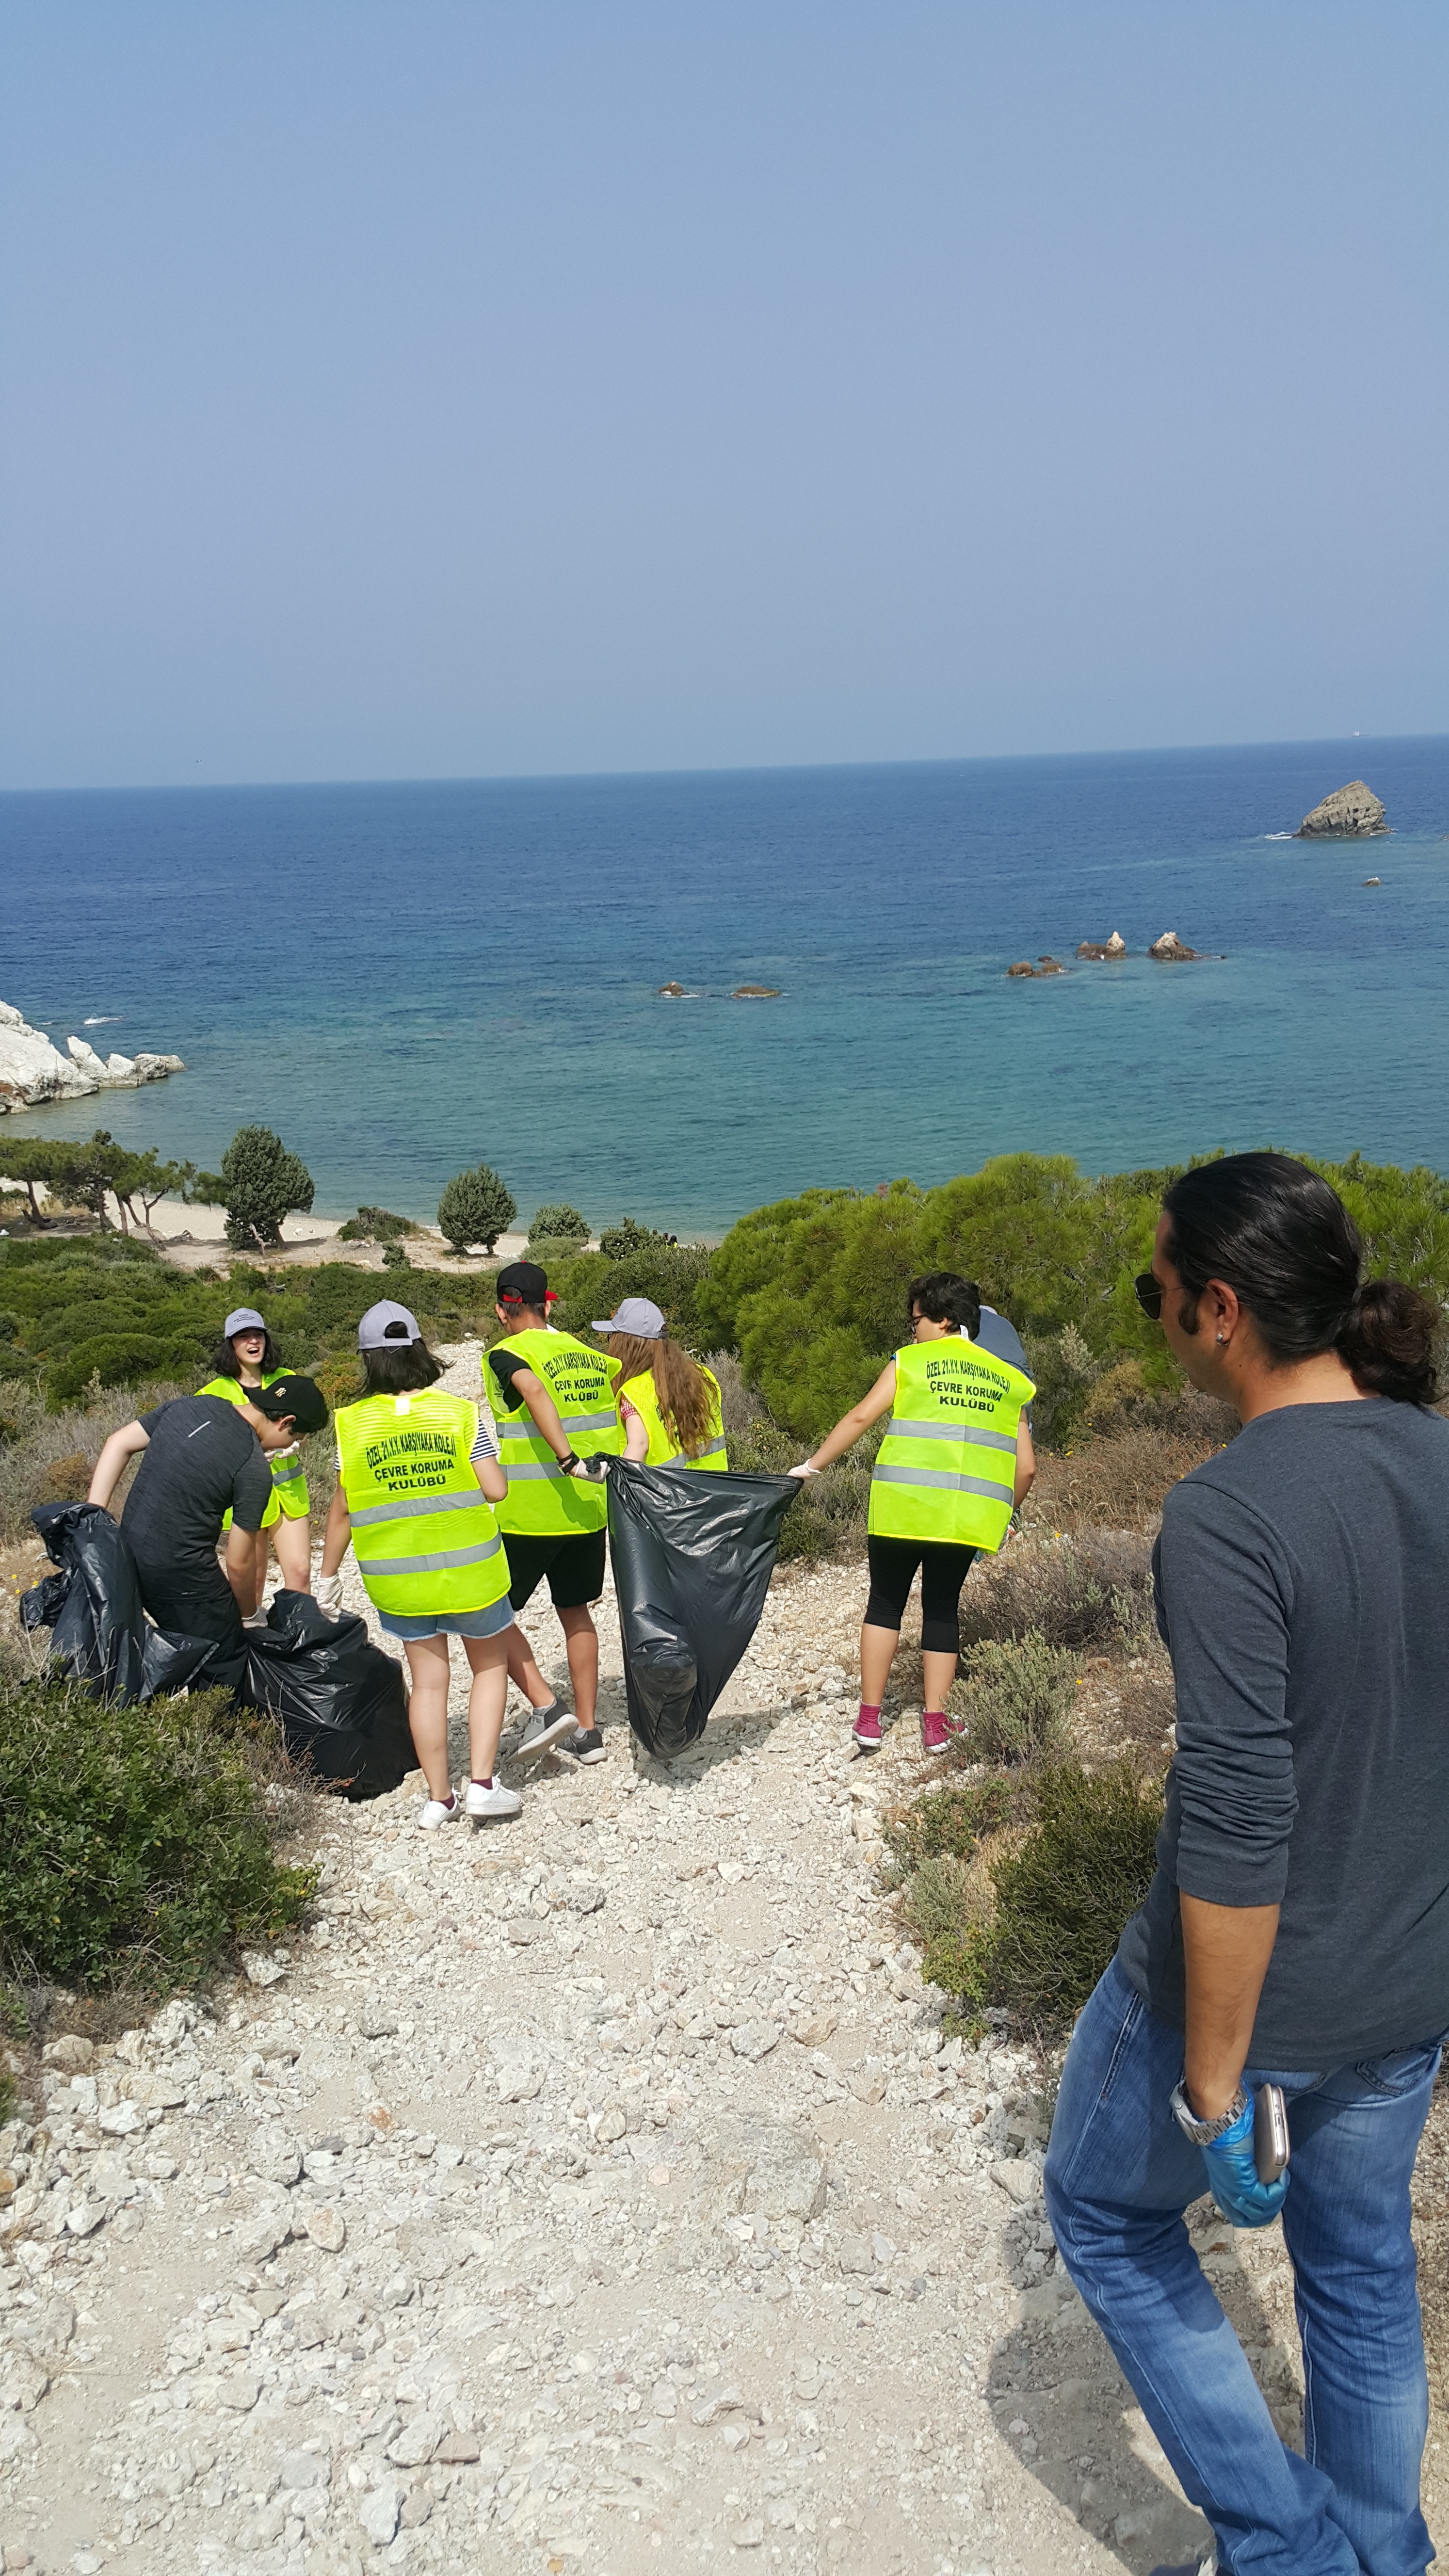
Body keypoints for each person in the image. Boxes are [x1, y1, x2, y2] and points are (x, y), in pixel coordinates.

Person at [1042, 1152, 1449, 2576]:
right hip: (1407, 1992)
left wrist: (1216, 2079)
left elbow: (1235, 1815)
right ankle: (1384, 2553)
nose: (1147, 1305)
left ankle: (1284, 2551)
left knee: (1103, 2212)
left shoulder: (1228, 1512)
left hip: (1256, 2003)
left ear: (1218, 1308)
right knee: (1356, 2269)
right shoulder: (1436, 1458)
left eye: (1153, 1283)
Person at [792, 1271, 1035, 1755]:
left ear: (943, 1319)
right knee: (942, 1608)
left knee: (885, 1603)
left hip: (902, 1507)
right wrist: (1006, 1515)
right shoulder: (1011, 1380)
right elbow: (1026, 1467)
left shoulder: (911, 1363)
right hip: (962, 1517)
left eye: (917, 1320)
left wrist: (810, 1467)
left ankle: (868, 1720)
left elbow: (862, 1416)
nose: (913, 1331)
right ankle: (936, 1725)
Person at [317, 1299, 520, 1830]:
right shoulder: (458, 1414)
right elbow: (495, 1488)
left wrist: (328, 1573)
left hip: (399, 1578)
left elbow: (342, 1506)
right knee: (488, 1668)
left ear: (369, 1359)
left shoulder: (351, 1426)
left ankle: (439, 1796)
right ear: (420, 1350)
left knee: (428, 1683)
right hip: (470, 1571)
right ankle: (481, 1784)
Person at [487, 1260, 627, 1766]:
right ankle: (588, 1732)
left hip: (528, 1516)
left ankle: (547, 1706)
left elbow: (534, 1389)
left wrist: (565, 1458)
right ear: (549, 1303)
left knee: (490, 1617)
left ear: (504, 1310)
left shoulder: (507, 1352)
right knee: (576, 1611)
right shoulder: (589, 1356)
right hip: (589, 1511)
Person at [87, 1371, 329, 1650]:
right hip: (182, 1578)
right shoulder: (252, 1467)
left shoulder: (190, 1405)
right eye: (296, 1438)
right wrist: (250, 1617)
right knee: (224, 1660)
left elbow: (117, 1443)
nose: (291, 1446)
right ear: (286, 1422)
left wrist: (94, 1517)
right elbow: (238, 1563)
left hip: (127, 1555)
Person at [199, 1306, 314, 1604]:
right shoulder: (212, 1394)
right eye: (243, 1336)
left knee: (300, 1572)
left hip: (289, 1494)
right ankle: (252, 1639)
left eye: (258, 1335)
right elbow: (207, 1449)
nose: (253, 1342)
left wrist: (297, 1443)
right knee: (254, 1580)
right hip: (245, 1500)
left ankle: (304, 1638)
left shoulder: (287, 1378)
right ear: (230, 1345)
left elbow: (308, 1422)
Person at [593, 1297, 729, 1469]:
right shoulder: (702, 1376)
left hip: (666, 1495)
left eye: (612, 1338)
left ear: (626, 1345)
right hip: (716, 1491)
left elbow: (637, 1452)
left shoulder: (635, 1393)